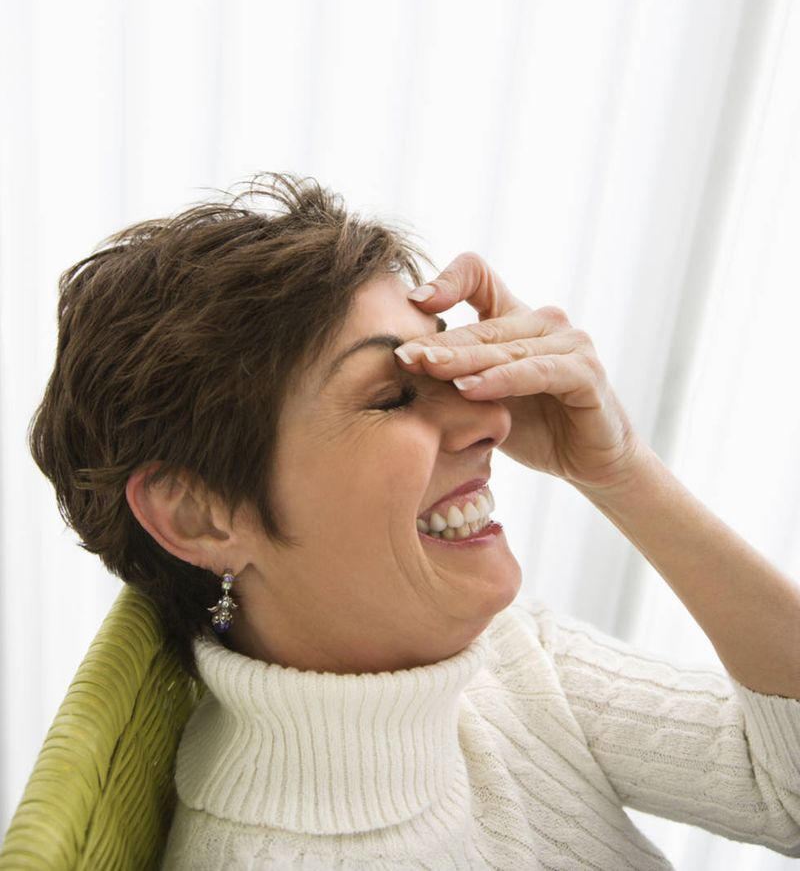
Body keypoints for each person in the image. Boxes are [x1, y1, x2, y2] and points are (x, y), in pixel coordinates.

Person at [28, 172, 800, 870]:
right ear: (199, 515)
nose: (493, 420)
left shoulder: (502, 658)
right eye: (393, 396)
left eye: (454, 370)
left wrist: (619, 468)